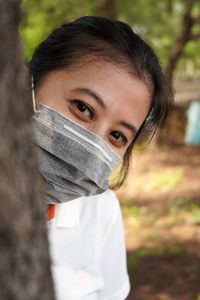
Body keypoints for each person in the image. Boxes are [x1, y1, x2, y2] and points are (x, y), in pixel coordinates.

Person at [27, 16, 172, 300]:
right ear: (24, 86)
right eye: (83, 108)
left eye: (117, 136)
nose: (93, 141)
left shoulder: (100, 210)